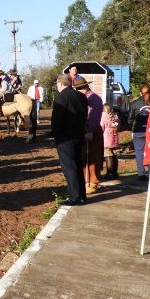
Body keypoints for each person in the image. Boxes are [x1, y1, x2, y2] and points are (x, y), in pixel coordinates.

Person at [50, 74, 89, 206]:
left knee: (69, 167)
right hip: (79, 135)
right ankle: (81, 194)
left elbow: (57, 118)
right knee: (78, 165)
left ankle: (74, 196)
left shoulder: (61, 97)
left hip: (65, 137)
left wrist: (55, 134)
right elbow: (84, 115)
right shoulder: (81, 96)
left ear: (60, 83)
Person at [74, 78, 104, 194]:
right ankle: (86, 181)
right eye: (77, 88)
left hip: (91, 129)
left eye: (80, 88)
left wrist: (91, 131)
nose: (79, 90)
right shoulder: (85, 97)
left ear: (86, 87)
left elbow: (95, 116)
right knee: (83, 156)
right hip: (84, 128)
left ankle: (93, 182)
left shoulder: (93, 98)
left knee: (92, 156)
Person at [129, 85, 150, 181]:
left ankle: (141, 173)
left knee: (139, 153)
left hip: (138, 131)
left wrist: (133, 127)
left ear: (140, 93)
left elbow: (130, 118)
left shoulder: (134, 103)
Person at [101, 103, 120, 179]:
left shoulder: (103, 116)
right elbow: (118, 127)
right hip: (114, 138)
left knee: (108, 155)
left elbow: (101, 127)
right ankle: (115, 172)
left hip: (106, 138)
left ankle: (110, 172)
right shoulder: (115, 116)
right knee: (114, 155)